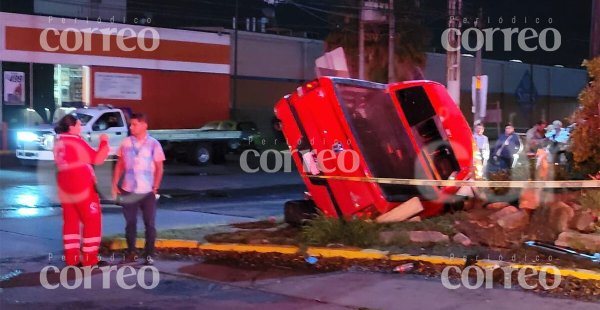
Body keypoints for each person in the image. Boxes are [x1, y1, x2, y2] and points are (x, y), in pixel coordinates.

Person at [53, 114, 109, 267]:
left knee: (70, 223)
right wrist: (104, 142)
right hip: (82, 188)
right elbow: (97, 159)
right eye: (78, 125)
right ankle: (90, 259)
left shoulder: (58, 142)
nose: (81, 127)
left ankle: (72, 259)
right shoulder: (75, 141)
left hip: (65, 188)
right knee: (92, 221)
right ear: (71, 127)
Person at [112, 113, 165, 265]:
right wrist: (114, 184)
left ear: (144, 125)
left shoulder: (154, 144)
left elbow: (160, 168)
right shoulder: (126, 143)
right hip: (128, 189)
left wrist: (155, 187)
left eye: (134, 124)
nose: (131, 127)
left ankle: (149, 255)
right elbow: (120, 164)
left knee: (149, 223)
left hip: (147, 190)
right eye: (131, 124)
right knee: (130, 223)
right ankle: (131, 253)